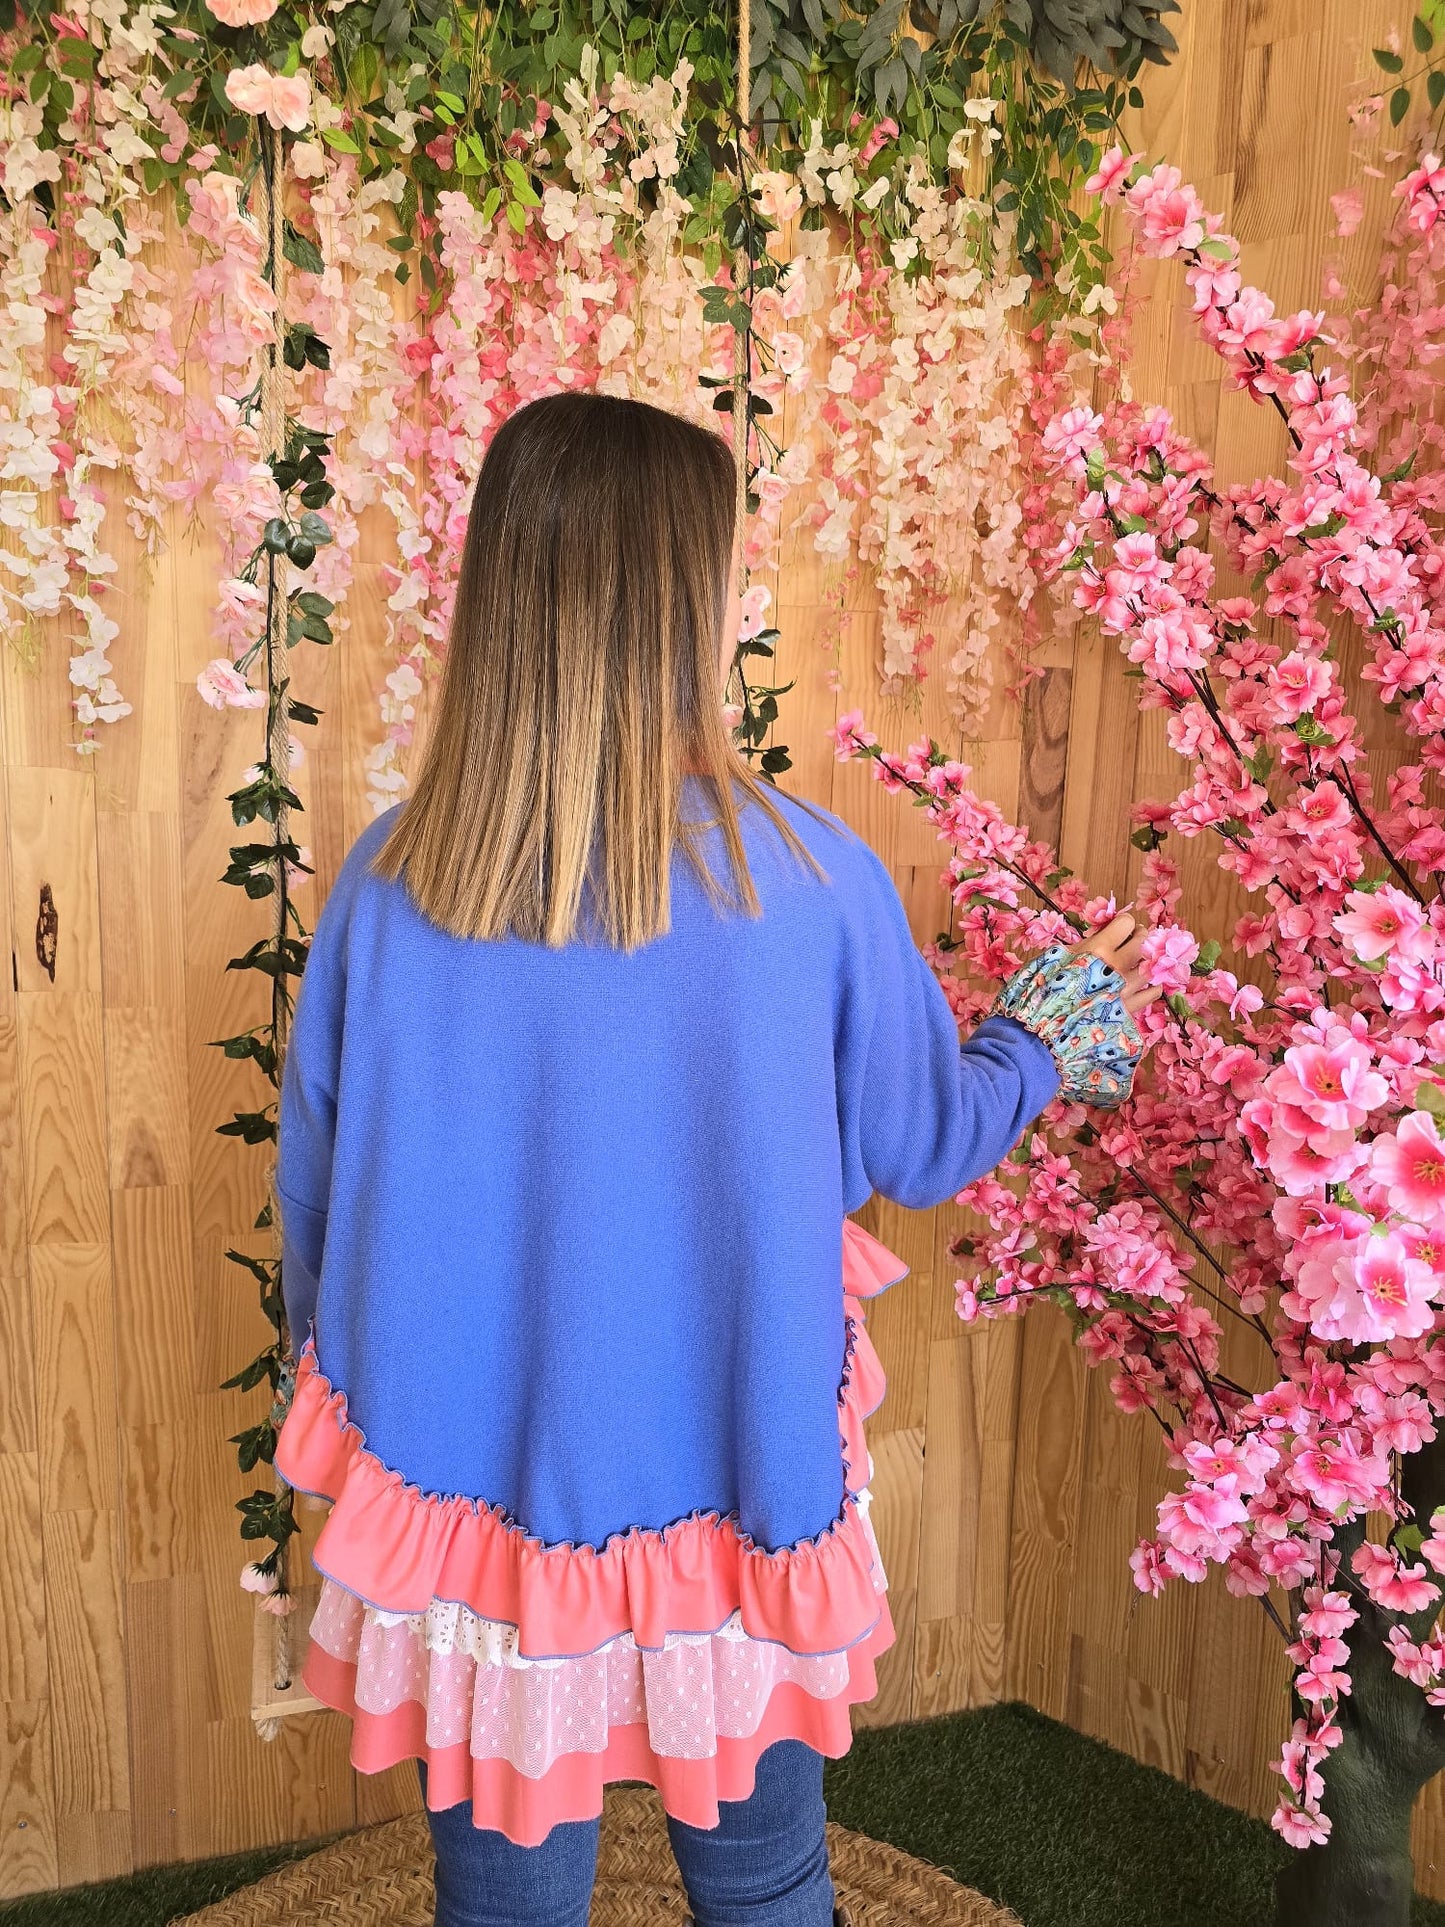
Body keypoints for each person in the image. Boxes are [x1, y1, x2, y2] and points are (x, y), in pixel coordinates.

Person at [273, 391, 1156, 1927]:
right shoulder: (813, 881)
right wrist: (1051, 1027)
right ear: (688, 597)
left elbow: (319, 1186)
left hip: (458, 1480)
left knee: (500, 1897)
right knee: (763, 1886)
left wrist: (342, 1392)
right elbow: (920, 1140)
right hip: (730, 1478)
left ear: (507, 591)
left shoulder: (387, 881)